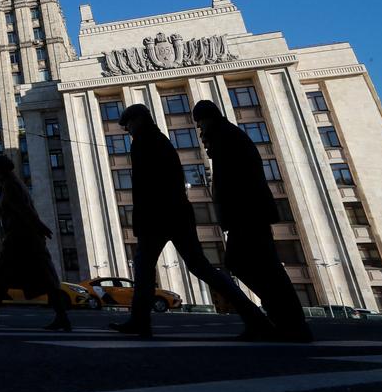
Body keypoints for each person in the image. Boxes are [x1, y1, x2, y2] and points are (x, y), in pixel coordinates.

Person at [110, 104, 272, 339]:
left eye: (128, 125)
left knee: (147, 269)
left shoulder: (144, 142)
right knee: (198, 268)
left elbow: (145, 188)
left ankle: (140, 321)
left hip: (158, 216)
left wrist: (142, 221)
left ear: (138, 120)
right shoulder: (158, 139)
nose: (127, 131)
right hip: (176, 214)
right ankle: (255, 317)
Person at [193, 100, 313, 343]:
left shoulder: (227, 138)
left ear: (209, 119)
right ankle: (284, 321)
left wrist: (231, 214)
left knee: (250, 265)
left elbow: (235, 182)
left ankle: (287, 322)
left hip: (247, 214)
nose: (200, 133)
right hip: (247, 214)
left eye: (200, 125)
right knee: (256, 266)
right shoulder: (229, 136)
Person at [0, 154, 71, 331]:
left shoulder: (11, 185)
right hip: (24, 236)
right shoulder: (12, 183)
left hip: (22, 238)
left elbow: (23, 209)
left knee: (38, 276)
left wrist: (39, 226)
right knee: (13, 274)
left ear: (1, 168)